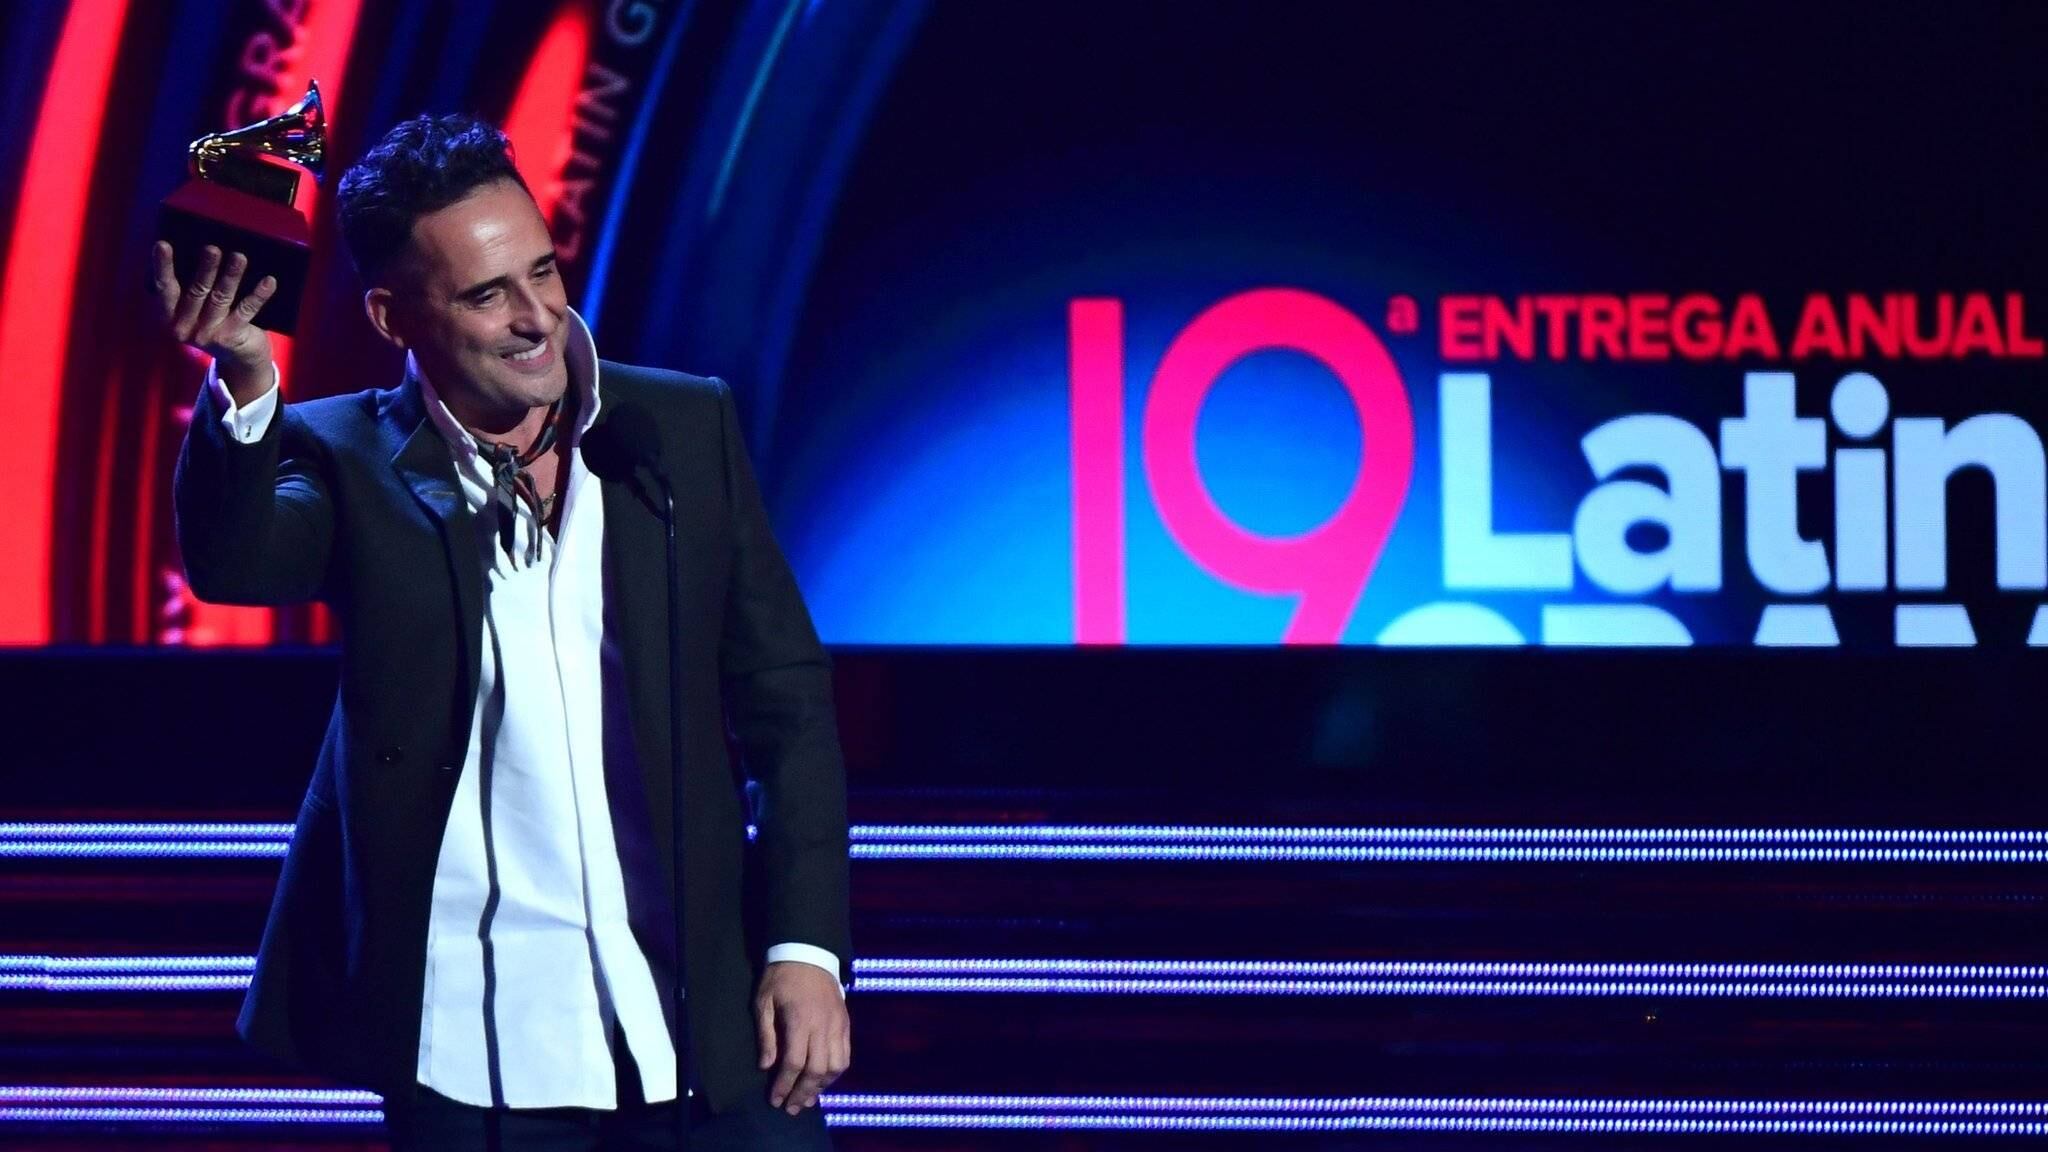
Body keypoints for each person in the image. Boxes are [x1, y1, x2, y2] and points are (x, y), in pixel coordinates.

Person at [153, 113, 851, 1151]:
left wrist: (805, 947)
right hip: (470, 1055)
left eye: (543, 272)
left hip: (706, 1023)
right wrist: (249, 380)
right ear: (394, 318)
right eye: (486, 295)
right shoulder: (342, 456)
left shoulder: (680, 428)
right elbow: (238, 562)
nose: (536, 318)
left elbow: (784, 699)